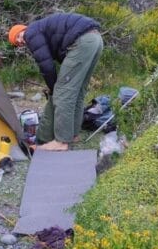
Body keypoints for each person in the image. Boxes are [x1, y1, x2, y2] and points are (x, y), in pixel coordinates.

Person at [8, 12, 103, 151]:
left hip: (82, 42)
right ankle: (73, 134)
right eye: (17, 43)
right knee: (77, 91)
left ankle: (61, 141)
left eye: (18, 37)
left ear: (23, 29)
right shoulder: (40, 30)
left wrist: (53, 88)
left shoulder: (31, 33)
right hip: (95, 39)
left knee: (63, 94)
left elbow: (46, 66)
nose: (20, 42)